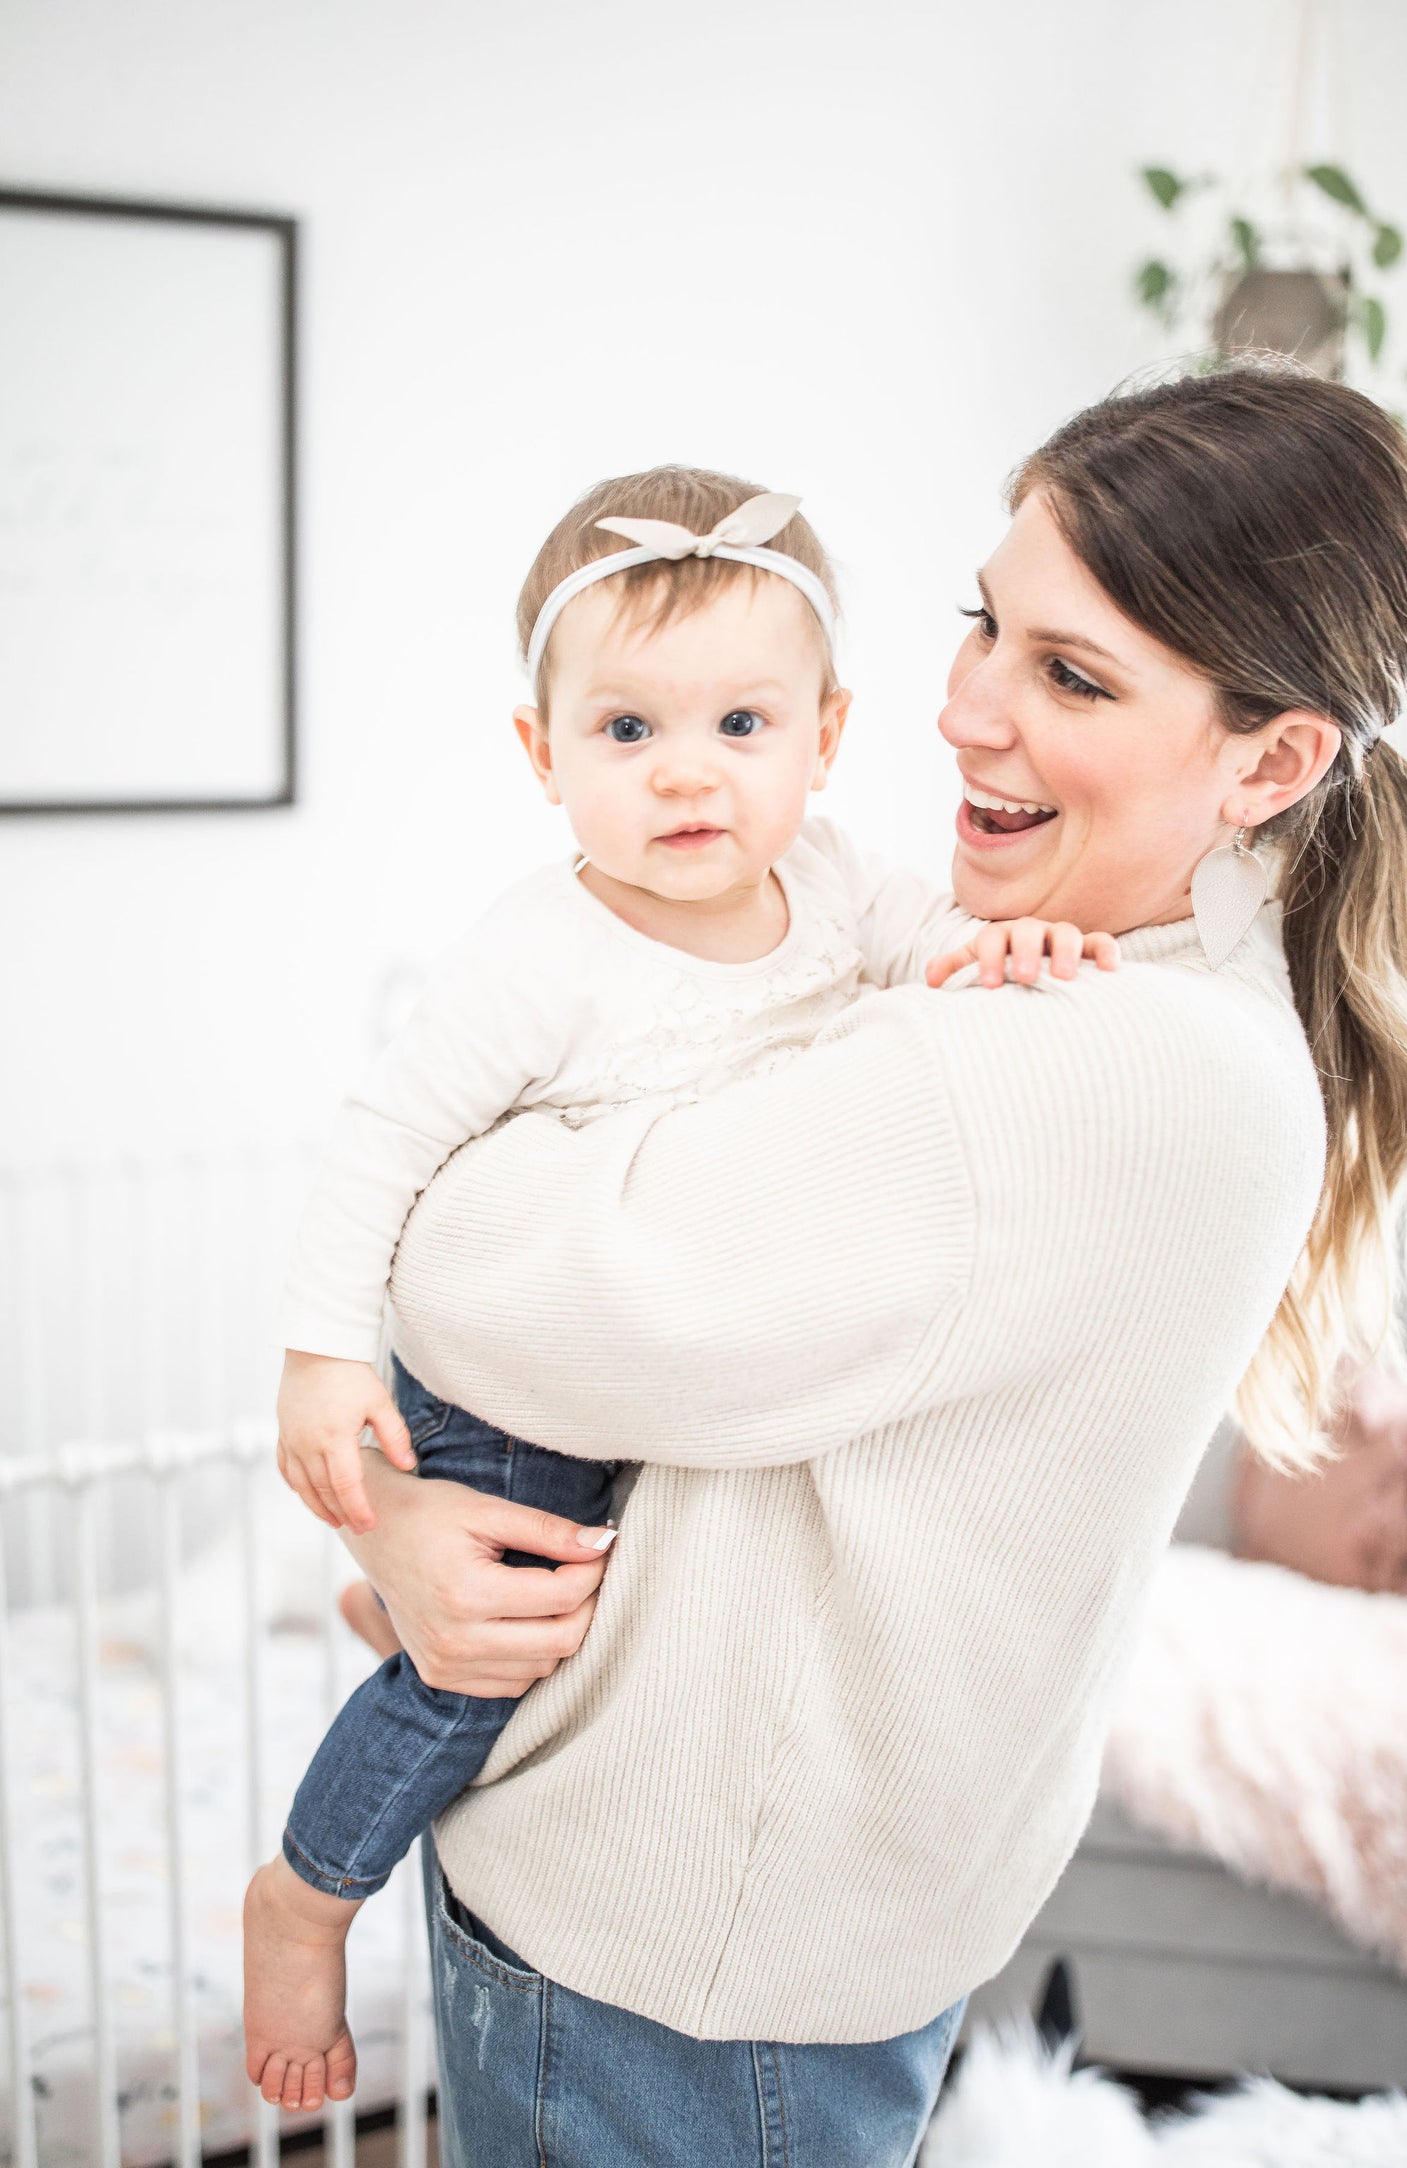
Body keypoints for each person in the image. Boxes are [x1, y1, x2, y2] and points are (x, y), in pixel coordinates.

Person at [343, 365, 1407, 2167]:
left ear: (1270, 760)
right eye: (983, 626)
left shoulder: (1058, 1067)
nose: (961, 713)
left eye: (1070, 677)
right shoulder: (1092, 978)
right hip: (773, 1942)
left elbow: (466, 1276)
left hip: (671, 1960)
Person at [243, 467, 1110, 2111]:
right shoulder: (535, 955)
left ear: (825, 738)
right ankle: (305, 1894)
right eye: (626, 732)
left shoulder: (843, 886)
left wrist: (1012, 950)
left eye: (738, 725)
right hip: (520, 1391)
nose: (685, 776)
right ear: (541, 755)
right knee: (482, 1670)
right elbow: (383, 1146)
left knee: (640, 1626)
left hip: (682, 1367)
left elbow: (935, 941)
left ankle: (390, 1629)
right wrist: (314, 1357)